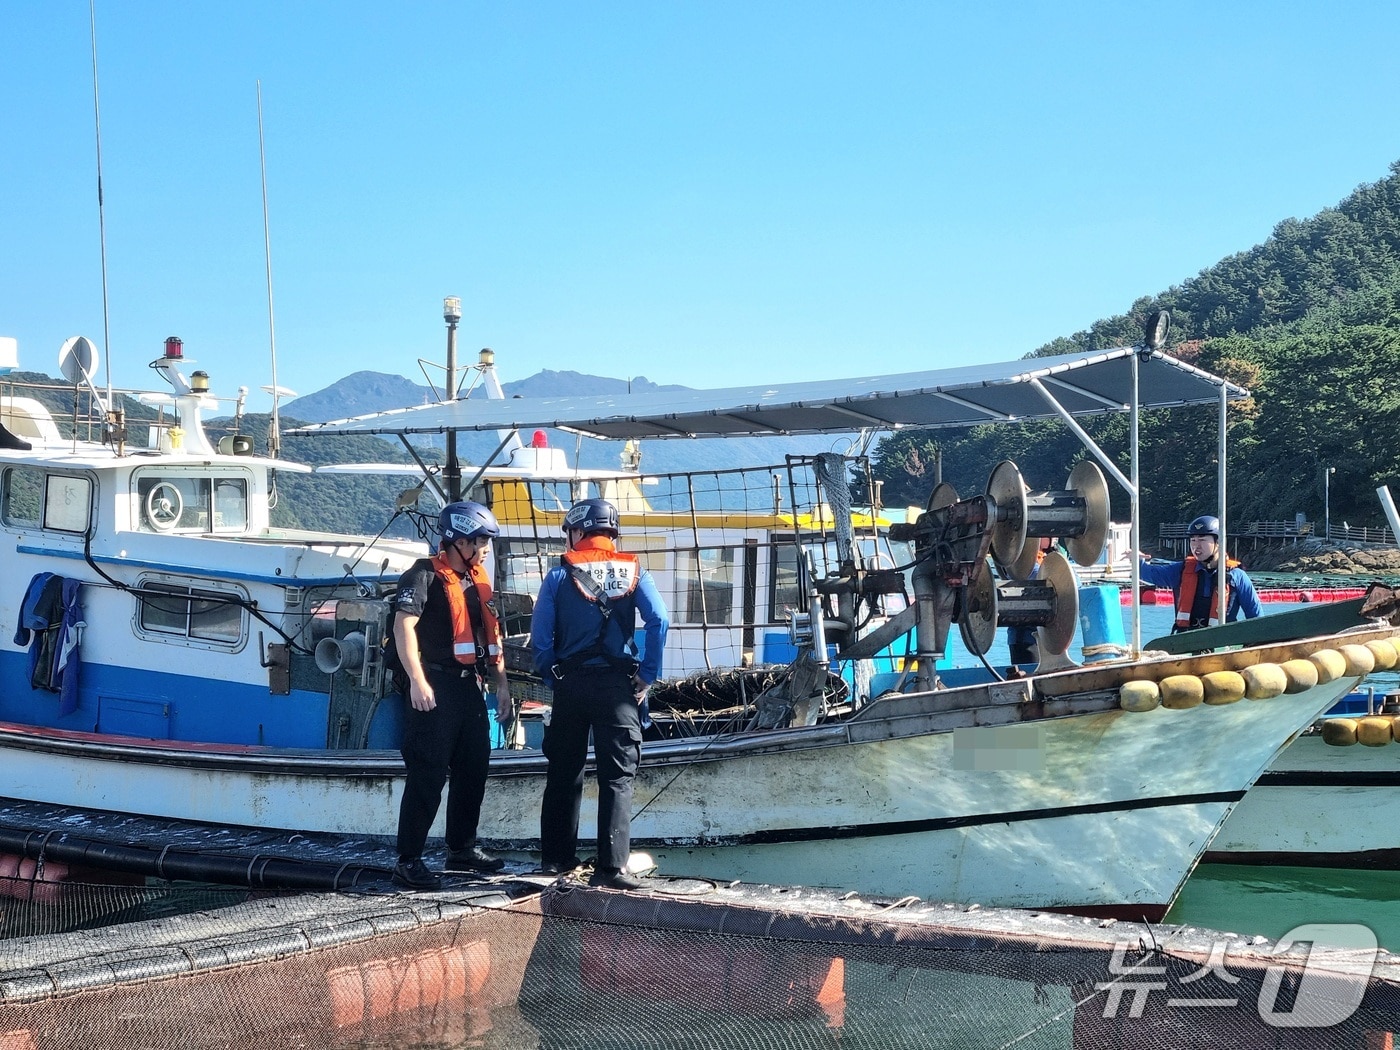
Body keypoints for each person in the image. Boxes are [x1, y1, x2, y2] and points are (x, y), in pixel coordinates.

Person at [530, 497, 669, 890]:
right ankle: (612, 869)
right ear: (612, 532)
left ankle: (556, 860)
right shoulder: (635, 570)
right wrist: (648, 675)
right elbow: (659, 619)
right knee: (617, 776)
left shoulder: (559, 576)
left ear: (578, 532)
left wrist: (554, 674)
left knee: (563, 772)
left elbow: (542, 640)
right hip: (618, 687)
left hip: (570, 684)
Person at [389, 500, 509, 889]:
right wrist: (418, 681)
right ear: (459, 541)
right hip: (434, 684)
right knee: (427, 772)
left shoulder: (475, 580)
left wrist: (502, 684)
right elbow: (403, 626)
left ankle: (462, 848)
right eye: (480, 541)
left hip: (468, 686)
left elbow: (490, 636)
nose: (487, 548)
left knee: (474, 768)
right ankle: (408, 860)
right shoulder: (422, 575)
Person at [1139, 514, 1262, 632]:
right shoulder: (1180, 570)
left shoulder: (1237, 576)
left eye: (1202, 540)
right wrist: (1136, 560)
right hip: (1186, 642)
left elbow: (1256, 618)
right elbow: (1150, 573)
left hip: (1222, 645)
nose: (1196, 546)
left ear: (1218, 542)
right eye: (1193, 540)